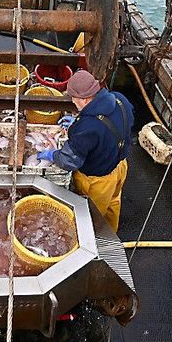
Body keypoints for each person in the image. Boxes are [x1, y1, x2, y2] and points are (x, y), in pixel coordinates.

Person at [38, 70, 134, 231]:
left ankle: (96, 240)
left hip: (98, 181)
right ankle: (112, 230)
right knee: (114, 201)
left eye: (74, 99)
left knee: (90, 215)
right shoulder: (119, 99)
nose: (73, 102)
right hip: (120, 166)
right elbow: (126, 122)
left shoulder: (87, 128)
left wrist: (52, 154)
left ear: (84, 99)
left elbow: (69, 161)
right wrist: (78, 121)